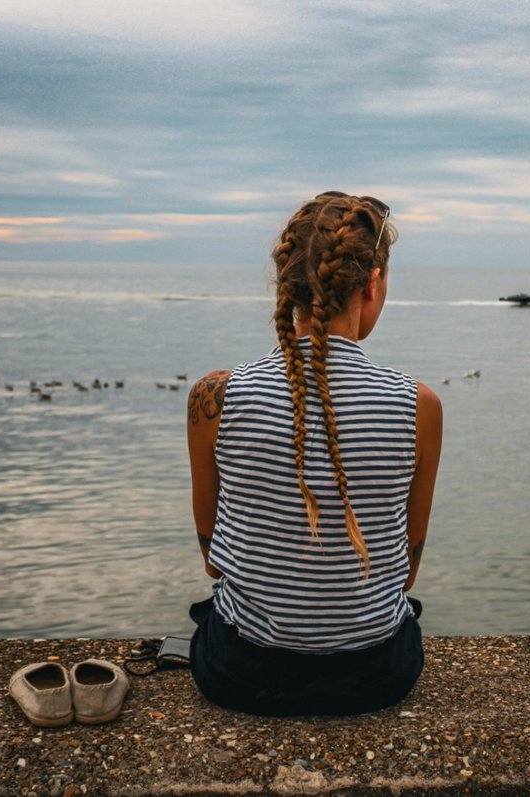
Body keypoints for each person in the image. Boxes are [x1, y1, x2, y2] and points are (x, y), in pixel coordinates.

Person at [185, 190, 443, 716]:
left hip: (240, 675)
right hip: (378, 677)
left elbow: (215, 563)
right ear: (372, 285)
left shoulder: (215, 397)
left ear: (288, 287)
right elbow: (406, 574)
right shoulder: (420, 406)